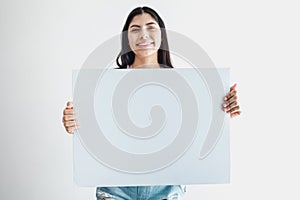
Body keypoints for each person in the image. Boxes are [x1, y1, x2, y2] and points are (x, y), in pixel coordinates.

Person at [62, 6, 241, 200]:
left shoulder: (187, 85)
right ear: (126, 39)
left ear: (162, 35)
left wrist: (223, 107)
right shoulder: (103, 85)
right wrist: (74, 123)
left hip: (166, 189)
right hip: (115, 189)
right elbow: (93, 132)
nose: (143, 35)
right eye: (135, 29)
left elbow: (201, 130)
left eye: (151, 27)